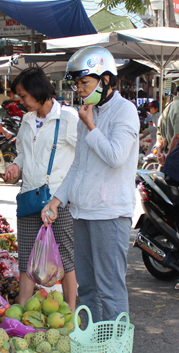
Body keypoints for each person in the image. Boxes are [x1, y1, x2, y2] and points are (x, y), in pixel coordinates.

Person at [42, 46, 139, 322]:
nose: (80, 89)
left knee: (110, 290)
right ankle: (97, 350)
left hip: (110, 214)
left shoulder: (125, 111)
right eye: (78, 84)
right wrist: (56, 201)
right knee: (88, 288)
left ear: (106, 80)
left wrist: (92, 126)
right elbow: (77, 165)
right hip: (82, 212)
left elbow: (116, 156)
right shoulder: (87, 114)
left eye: (85, 82)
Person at [4, 68, 78, 311]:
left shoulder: (67, 118)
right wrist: (16, 165)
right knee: (26, 259)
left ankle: (71, 313)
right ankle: (22, 310)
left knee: (66, 261)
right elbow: (24, 153)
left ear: (38, 91)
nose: (21, 102)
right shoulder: (27, 120)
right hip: (29, 199)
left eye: (23, 96)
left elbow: (82, 159)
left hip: (57, 201)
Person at [156, 94, 179, 164]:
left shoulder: (167, 108)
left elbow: (159, 138)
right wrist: (169, 157)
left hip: (169, 157)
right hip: (175, 157)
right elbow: (177, 136)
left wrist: (160, 154)